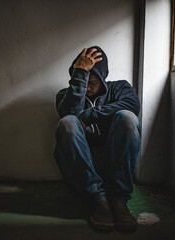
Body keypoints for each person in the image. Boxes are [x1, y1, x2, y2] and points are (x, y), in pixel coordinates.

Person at [53, 46, 141, 232]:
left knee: (127, 117)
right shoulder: (65, 95)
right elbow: (69, 113)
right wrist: (81, 74)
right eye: (83, 81)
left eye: (92, 82)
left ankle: (119, 201)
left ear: (102, 79)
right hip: (82, 171)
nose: (87, 88)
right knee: (68, 122)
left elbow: (132, 105)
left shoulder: (119, 88)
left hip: (115, 167)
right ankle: (98, 200)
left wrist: (90, 115)